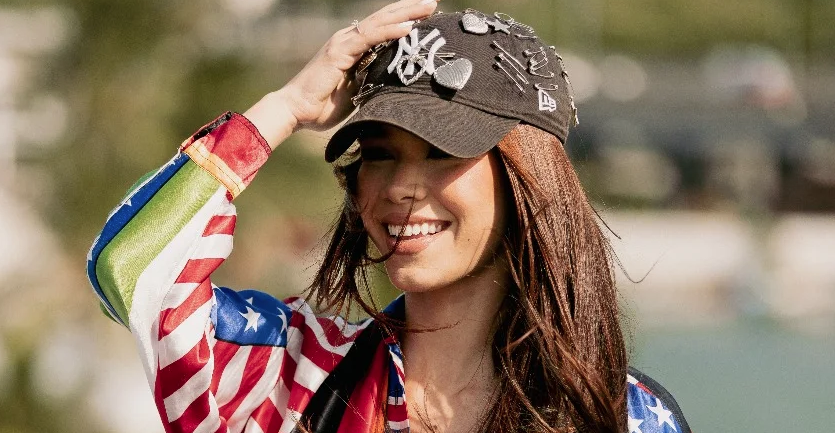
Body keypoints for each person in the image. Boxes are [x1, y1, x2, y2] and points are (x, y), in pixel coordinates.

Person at [87, 1, 691, 432]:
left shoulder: (625, 417)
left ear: (526, 180)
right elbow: (133, 271)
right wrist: (286, 107)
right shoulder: (291, 375)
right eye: (379, 154)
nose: (400, 186)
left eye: (442, 152)